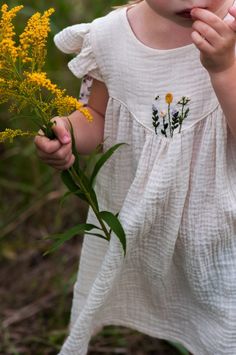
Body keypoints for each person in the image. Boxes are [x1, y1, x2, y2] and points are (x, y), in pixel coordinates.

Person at [34, 1, 236, 354]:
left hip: (222, 233)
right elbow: (97, 116)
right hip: (147, 231)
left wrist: (225, 69)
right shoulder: (111, 38)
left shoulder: (231, 28)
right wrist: (66, 131)